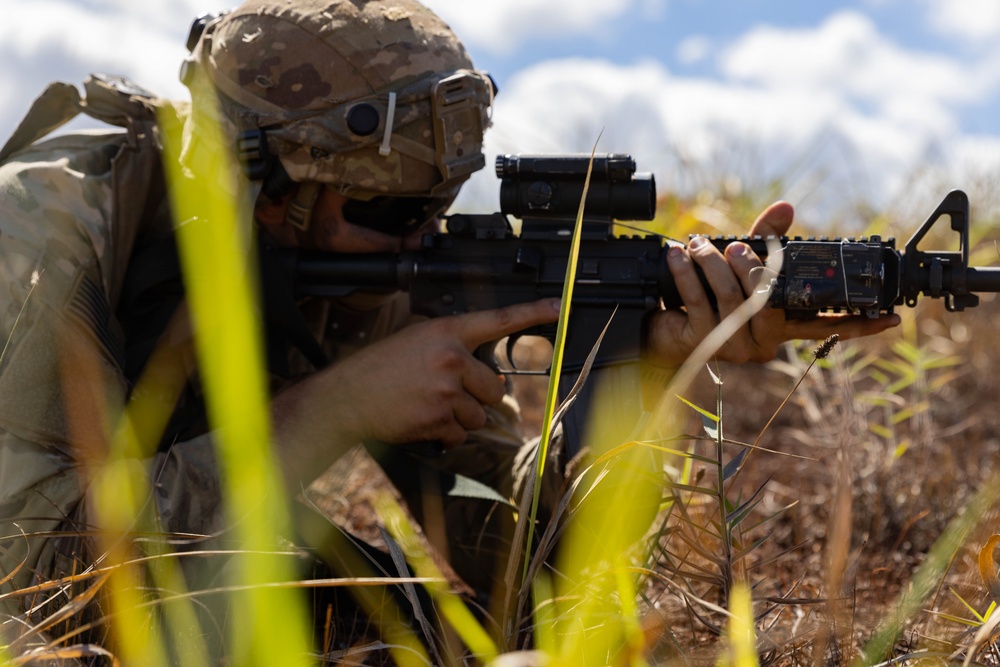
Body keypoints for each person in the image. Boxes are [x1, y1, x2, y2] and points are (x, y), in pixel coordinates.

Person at [0, 0, 900, 660]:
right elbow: (31, 567)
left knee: (403, 623)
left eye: (440, 201)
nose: (424, 235)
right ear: (263, 191)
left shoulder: (367, 266)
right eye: (392, 207)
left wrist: (650, 371)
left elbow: (536, 572)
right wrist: (339, 407)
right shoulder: (47, 237)